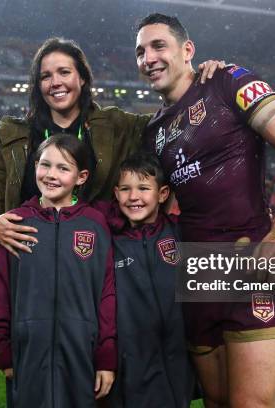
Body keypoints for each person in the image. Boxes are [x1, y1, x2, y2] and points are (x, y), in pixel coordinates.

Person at [135, 13, 275, 408]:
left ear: (188, 50)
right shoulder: (152, 132)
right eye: (140, 51)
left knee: (252, 404)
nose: (148, 57)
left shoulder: (229, 80)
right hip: (196, 273)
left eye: (158, 46)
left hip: (251, 259)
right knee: (215, 401)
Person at [0, 37, 224, 255]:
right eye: (45, 76)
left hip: (98, 262)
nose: (55, 82)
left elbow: (171, 123)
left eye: (64, 72)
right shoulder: (14, 133)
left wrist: (201, 83)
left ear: (82, 78)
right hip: (31, 260)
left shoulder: (117, 125)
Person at [0, 134, 116, 407]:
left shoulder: (95, 224)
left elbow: (107, 294)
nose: (51, 175)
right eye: (45, 165)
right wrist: (1, 351)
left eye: (63, 168)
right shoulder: (15, 222)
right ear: (35, 168)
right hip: (27, 355)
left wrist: (106, 356)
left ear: (81, 177)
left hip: (82, 355)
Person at [107, 152, 194, 407]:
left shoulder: (181, 232)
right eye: (125, 189)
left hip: (178, 356)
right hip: (130, 361)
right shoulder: (110, 240)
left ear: (163, 194)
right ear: (115, 193)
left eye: (144, 188)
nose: (134, 197)